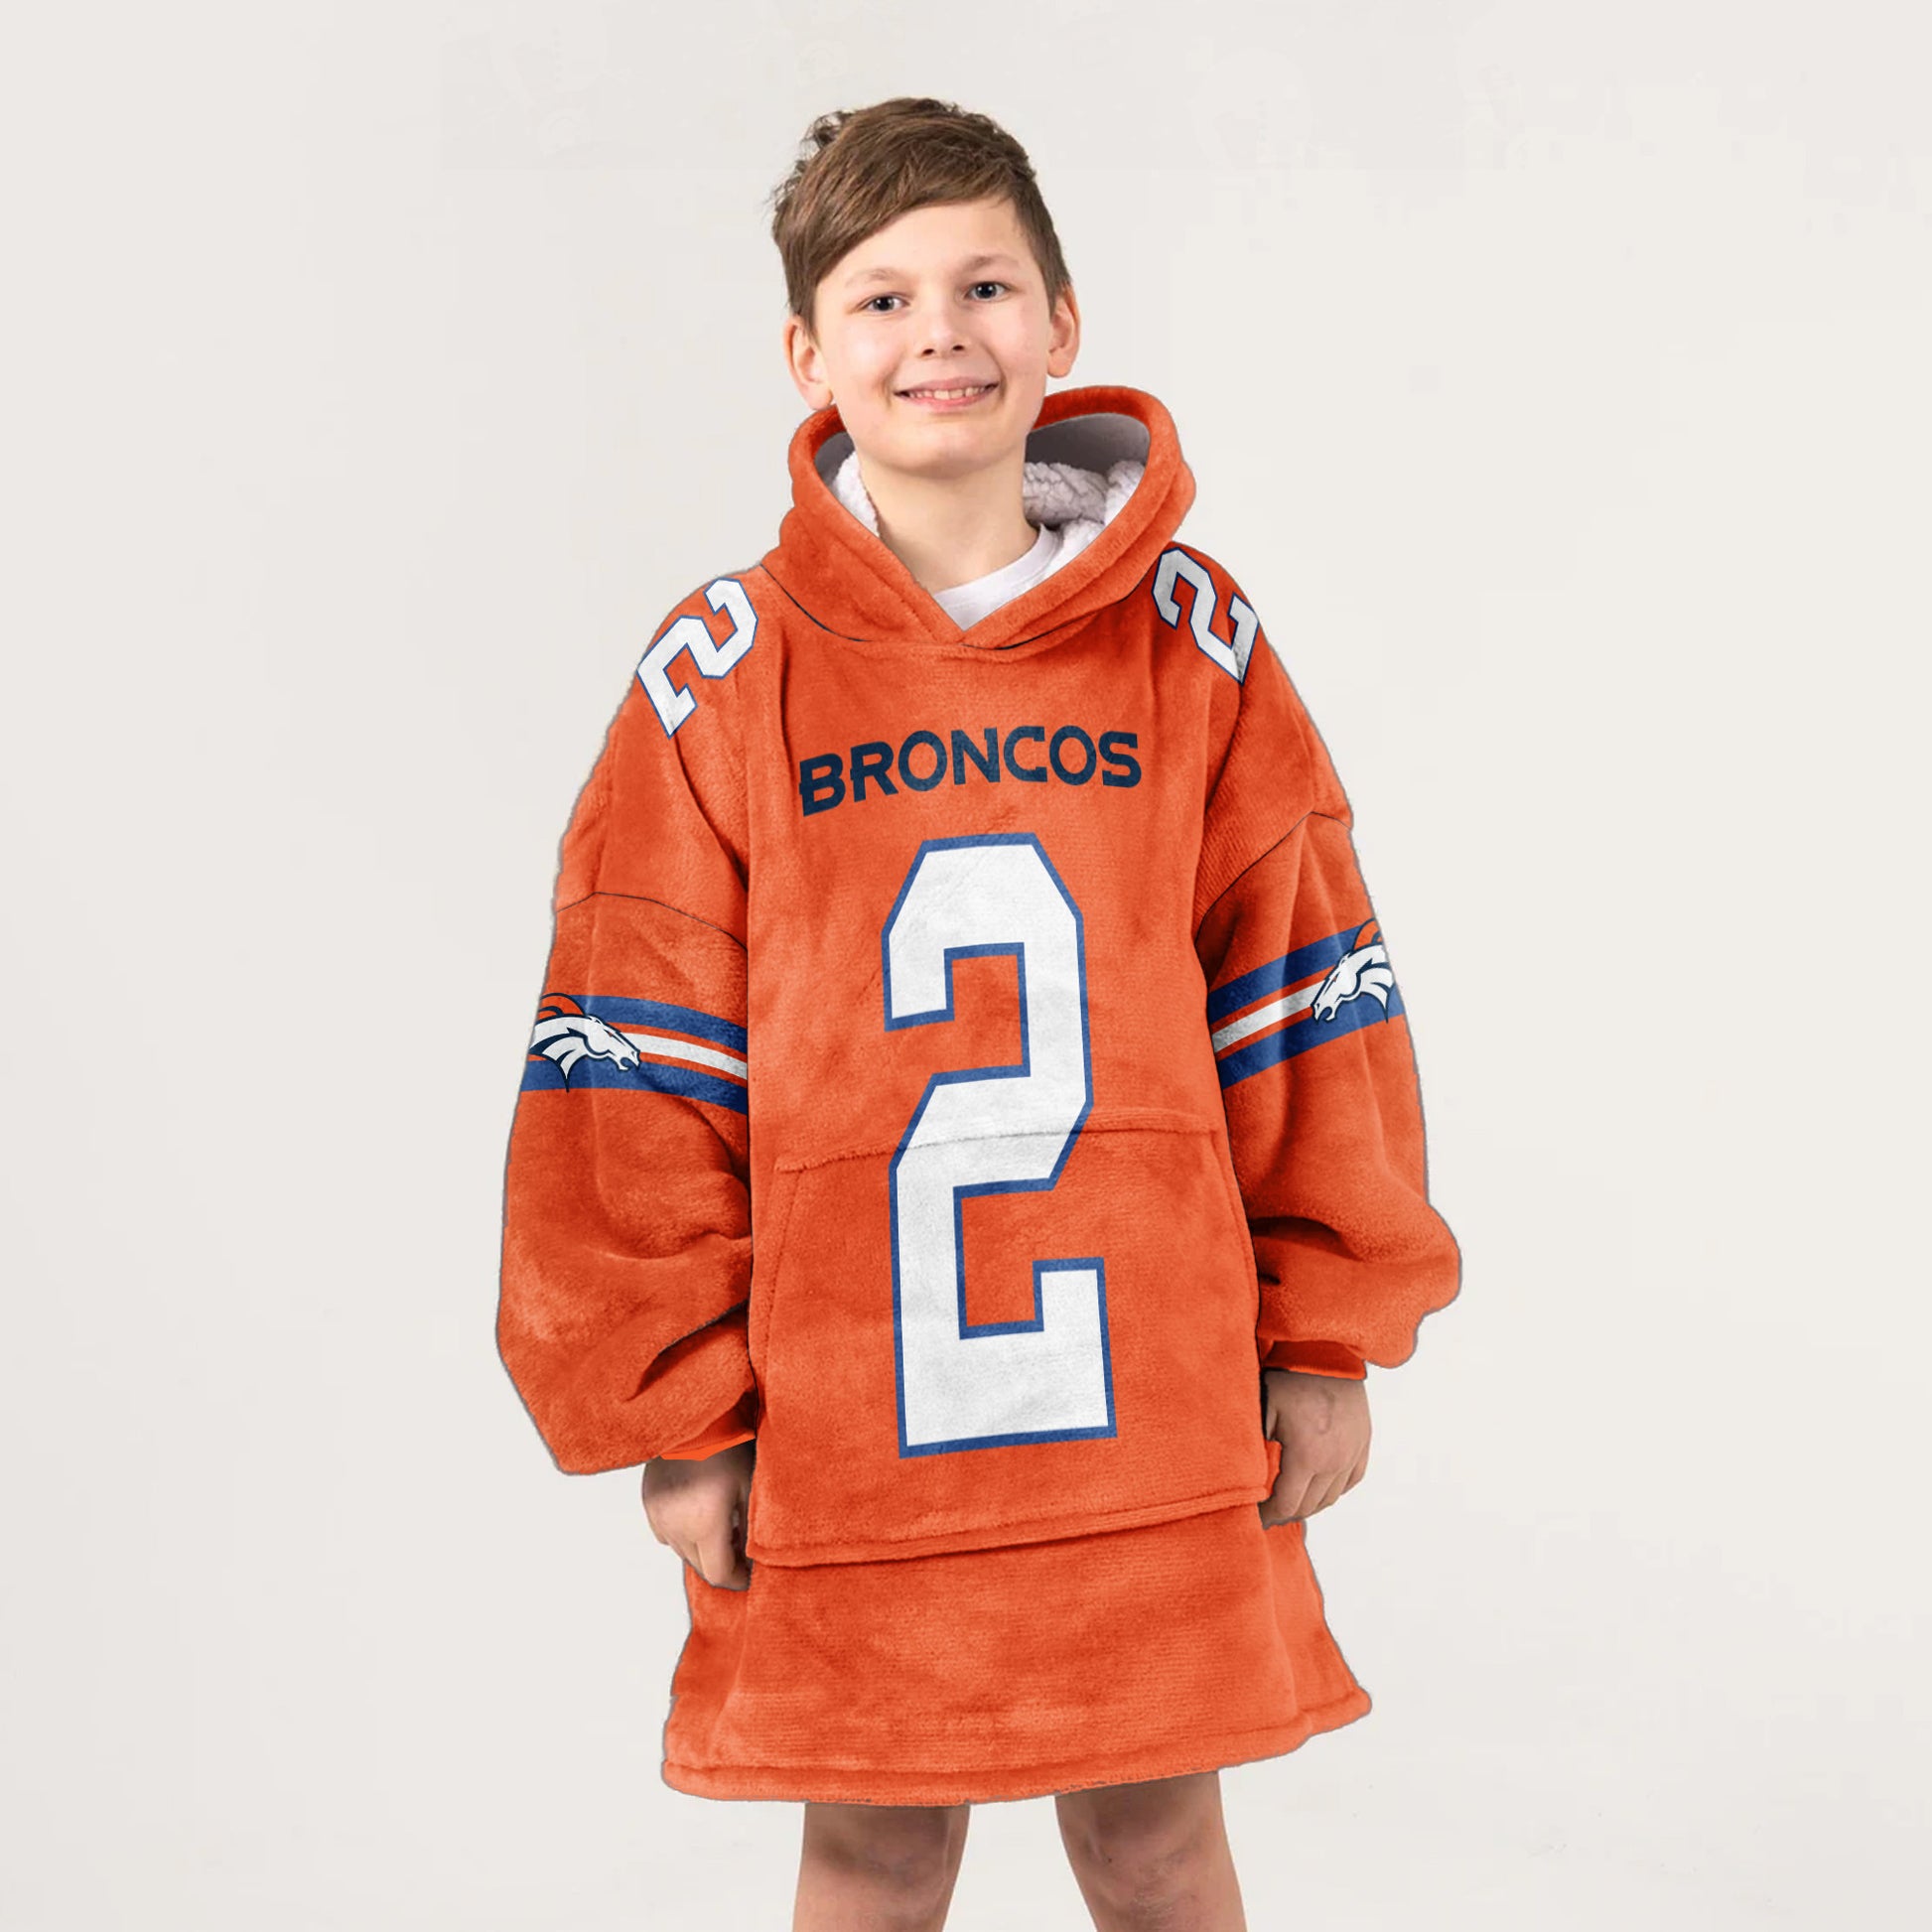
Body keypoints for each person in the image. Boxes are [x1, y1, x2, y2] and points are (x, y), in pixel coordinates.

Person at [496, 95, 1460, 1931]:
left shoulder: (1191, 642)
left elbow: (1303, 994)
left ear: (1061, 323)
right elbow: (630, 1051)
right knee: (873, 1848)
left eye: (984, 286)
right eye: (880, 299)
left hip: (1148, 1398)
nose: (936, 332)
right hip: (848, 1411)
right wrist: (680, 1404)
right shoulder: (724, 674)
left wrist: (1328, 1324)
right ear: (807, 355)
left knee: (1156, 1840)